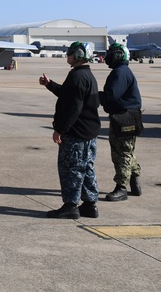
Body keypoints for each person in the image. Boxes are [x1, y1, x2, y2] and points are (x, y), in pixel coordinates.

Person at [39, 41, 102, 219]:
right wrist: (50, 85)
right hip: (88, 133)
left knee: (71, 169)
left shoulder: (77, 77)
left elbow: (73, 108)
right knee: (87, 168)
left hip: (76, 134)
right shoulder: (85, 75)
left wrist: (59, 129)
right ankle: (90, 204)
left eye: (70, 53)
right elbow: (69, 96)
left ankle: (70, 205)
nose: (68, 55)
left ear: (79, 55)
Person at [98, 42, 142, 201]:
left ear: (117, 55)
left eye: (110, 53)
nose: (107, 56)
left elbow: (111, 95)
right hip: (129, 116)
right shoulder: (124, 71)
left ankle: (121, 187)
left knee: (120, 152)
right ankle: (134, 177)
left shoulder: (120, 73)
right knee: (127, 149)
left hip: (123, 118)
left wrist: (95, 97)